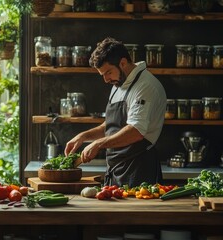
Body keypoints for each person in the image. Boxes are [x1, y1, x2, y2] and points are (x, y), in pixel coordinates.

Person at [64, 37, 167, 187]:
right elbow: (112, 125)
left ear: (123, 63)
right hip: (116, 168)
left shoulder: (145, 86)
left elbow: (136, 131)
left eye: (108, 72)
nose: (106, 80)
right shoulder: (118, 82)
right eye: (102, 75)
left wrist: (98, 144)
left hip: (139, 171)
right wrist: (84, 137)